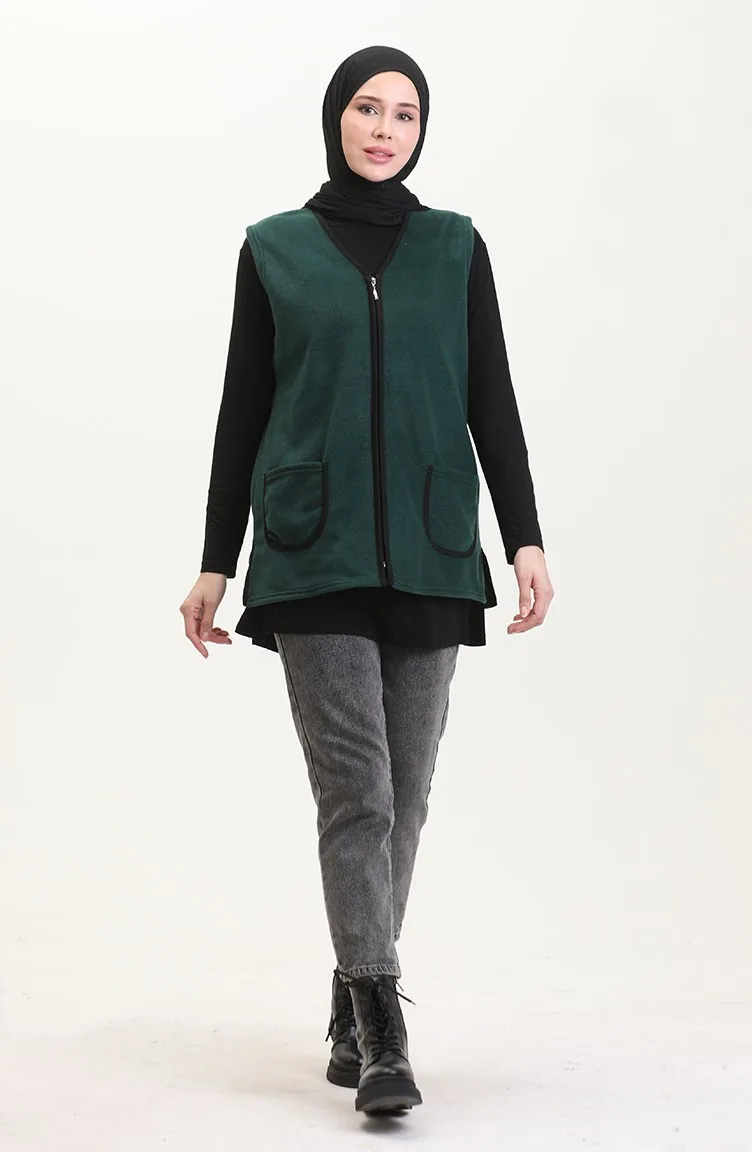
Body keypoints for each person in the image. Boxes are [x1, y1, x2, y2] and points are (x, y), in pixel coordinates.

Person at [180, 44, 554, 1117]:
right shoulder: (275, 250)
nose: (385, 129)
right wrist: (215, 560)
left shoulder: (454, 247)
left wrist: (523, 538)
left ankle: (351, 988)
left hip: (432, 549)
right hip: (313, 555)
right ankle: (384, 1029)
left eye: (404, 113)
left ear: (420, 130)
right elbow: (242, 409)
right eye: (366, 109)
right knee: (360, 793)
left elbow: (491, 395)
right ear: (333, 118)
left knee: (409, 797)